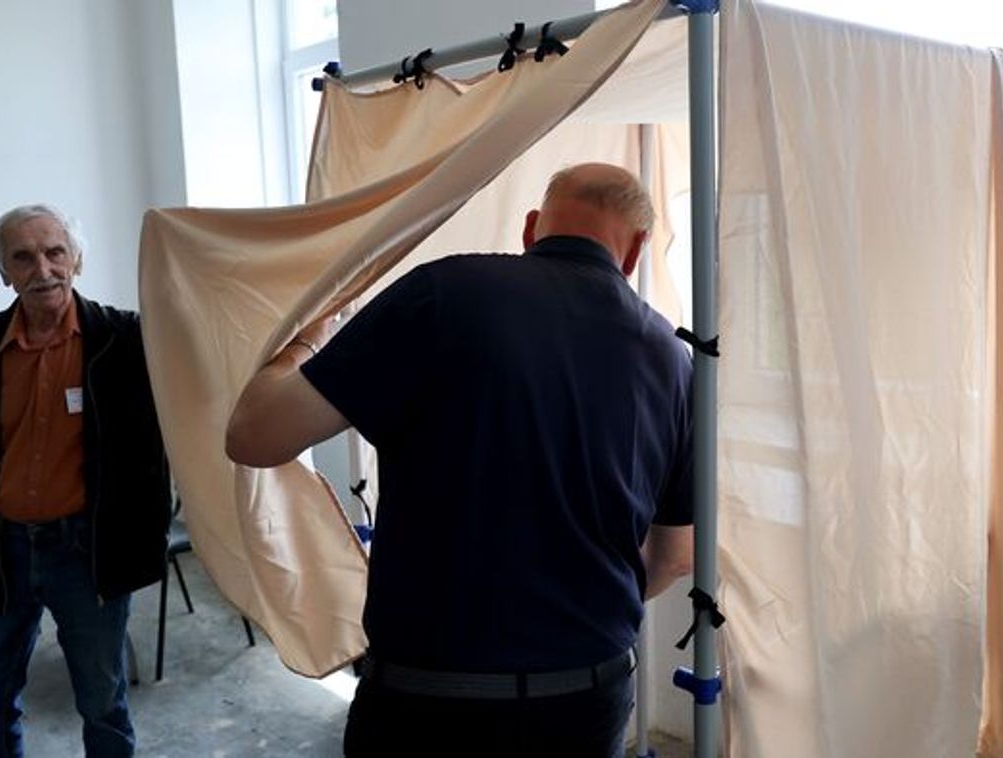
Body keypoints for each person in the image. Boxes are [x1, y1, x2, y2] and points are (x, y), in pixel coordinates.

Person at [226, 163, 695, 757]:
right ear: (636, 250)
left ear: (531, 228)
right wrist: (580, 610)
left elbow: (254, 437)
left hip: (431, 698)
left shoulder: (443, 294)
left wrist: (304, 340)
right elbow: (677, 557)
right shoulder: (672, 359)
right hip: (585, 696)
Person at [0, 204, 171, 757]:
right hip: (0, 552)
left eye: (55, 253)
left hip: (87, 553)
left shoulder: (127, 341)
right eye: (23, 257)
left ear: (77, 260)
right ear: (4, 272)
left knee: (102, 702)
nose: (43, 269)